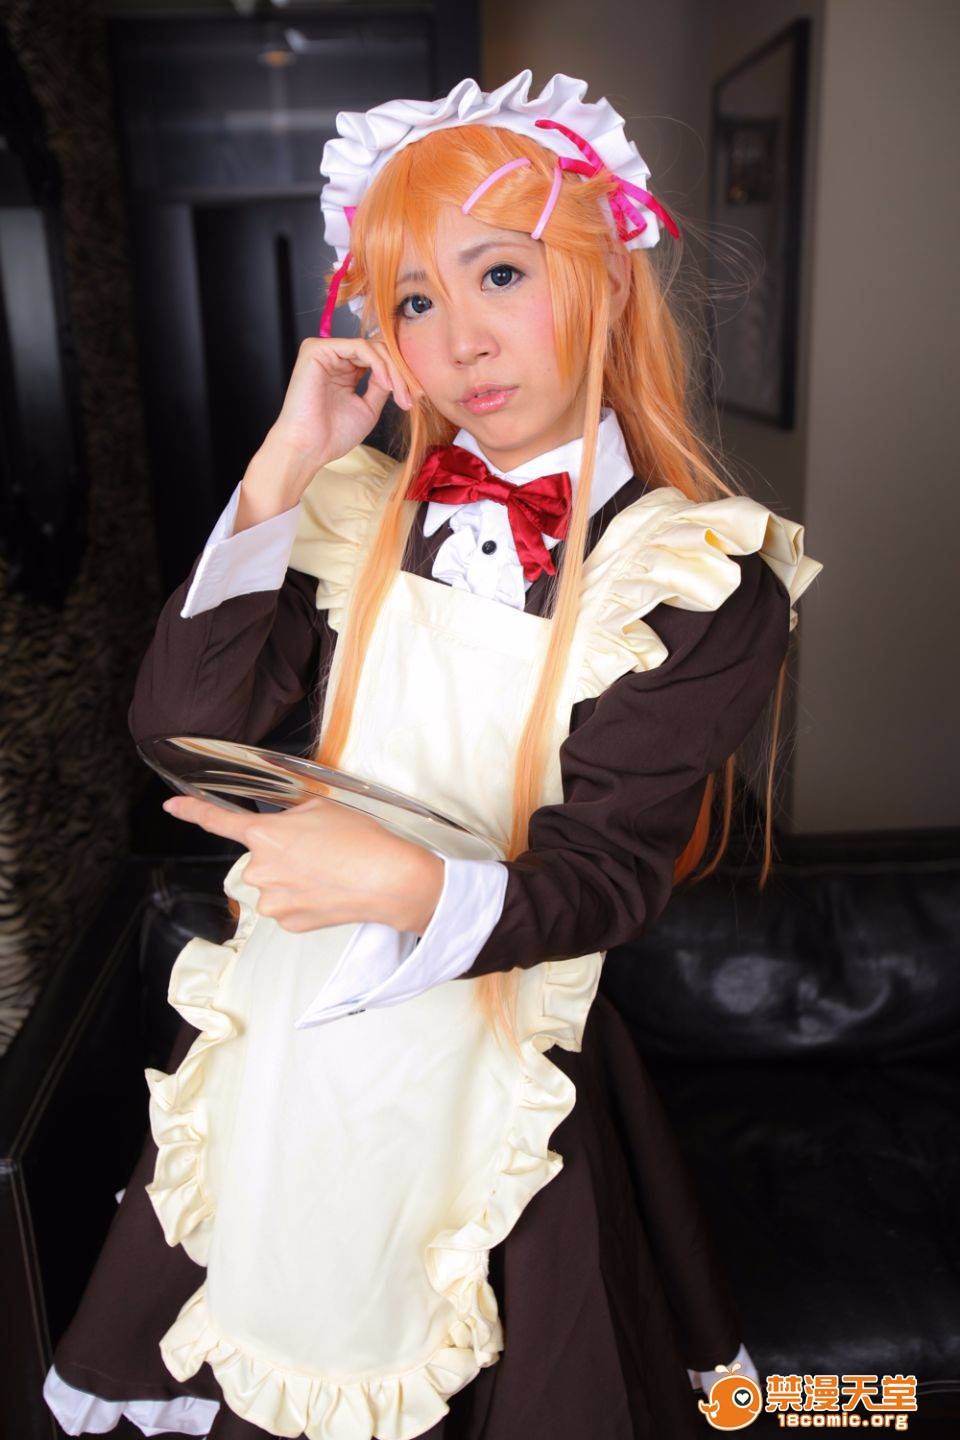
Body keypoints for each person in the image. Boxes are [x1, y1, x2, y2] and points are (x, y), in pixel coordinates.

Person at [43, 70, 823, 1440]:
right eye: (411, 300)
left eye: (500, 272)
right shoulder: (355, 509)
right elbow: (183, 737)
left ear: (608, 277)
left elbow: (601, 879)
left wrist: (400, 882)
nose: (461, 340)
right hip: (288, 1047)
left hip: (498, 1062)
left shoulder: (696, 576)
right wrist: (285, 465)